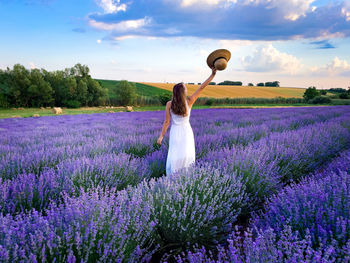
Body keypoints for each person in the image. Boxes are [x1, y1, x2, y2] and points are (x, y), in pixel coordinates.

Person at [157, 66, 217, 175]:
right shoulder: (190, 101)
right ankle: (186, 177)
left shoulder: (169, 104)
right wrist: (212, 75)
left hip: (175, 132)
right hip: (186, 132)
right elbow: (202, 88)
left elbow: (167, 122)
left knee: (175, 155)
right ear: (182, 92)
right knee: (186, 154)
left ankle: (173, 177)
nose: (186, 89)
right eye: (185, 88)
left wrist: (161, 136)